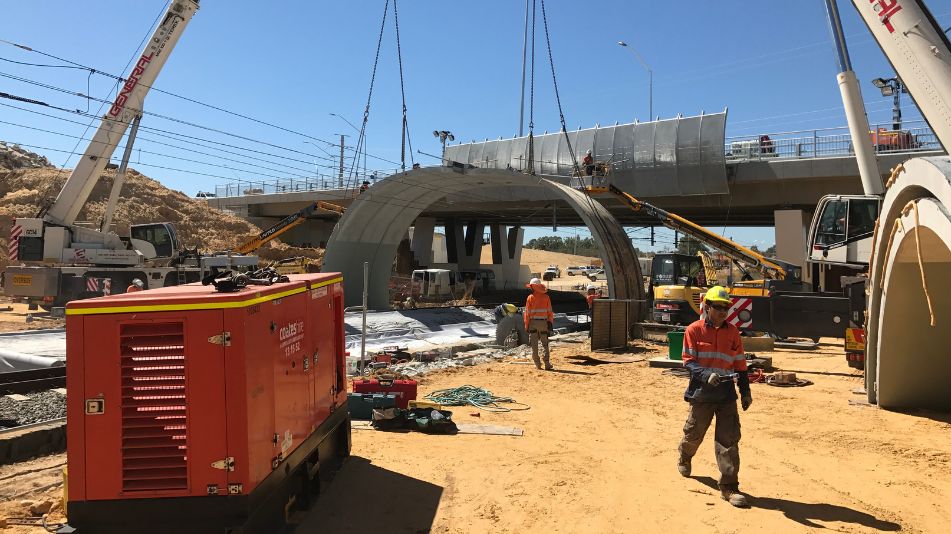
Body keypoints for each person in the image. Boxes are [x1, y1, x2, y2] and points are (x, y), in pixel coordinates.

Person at [677, 286, 752, 508]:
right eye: (718, 307)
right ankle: (685, 455)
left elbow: (740, 364)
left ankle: (729, 487)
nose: (722, 311)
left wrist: (745, 391)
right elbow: (688, 362)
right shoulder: (694, 330)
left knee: (728, 440)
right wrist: (706, 375)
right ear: (707, 307)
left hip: (726, 393)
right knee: (694, 433)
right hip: (702, 393)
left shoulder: (733, 333)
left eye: (726, 307)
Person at [523, 277, 554, 370]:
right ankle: (547, 364)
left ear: (533, 287)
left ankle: (537, 364)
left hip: (533, 323)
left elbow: (527, 313)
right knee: (545, 343)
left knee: (534, 344)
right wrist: (550, 322)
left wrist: (526, 325)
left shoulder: (530, 298)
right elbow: (550, 312)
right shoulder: (546, 297)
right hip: (543, 323)